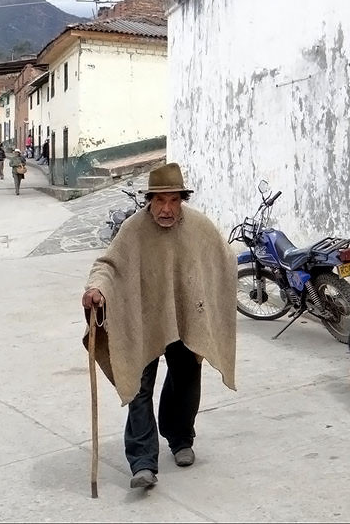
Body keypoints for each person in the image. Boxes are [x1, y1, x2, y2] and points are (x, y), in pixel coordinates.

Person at [81, 163, 237, 490]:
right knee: (138, 386)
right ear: (149, 200)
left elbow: (224, 257)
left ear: (182, 200)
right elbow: (107, 264)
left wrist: (207, 292)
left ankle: (180, 438)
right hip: (144, 318)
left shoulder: (198, 226)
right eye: (160, 201)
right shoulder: (133, 229)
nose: (166, 209)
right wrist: (96, 288)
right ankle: (142, 462)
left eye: (174, 201)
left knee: (185, 380)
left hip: (185, 318)